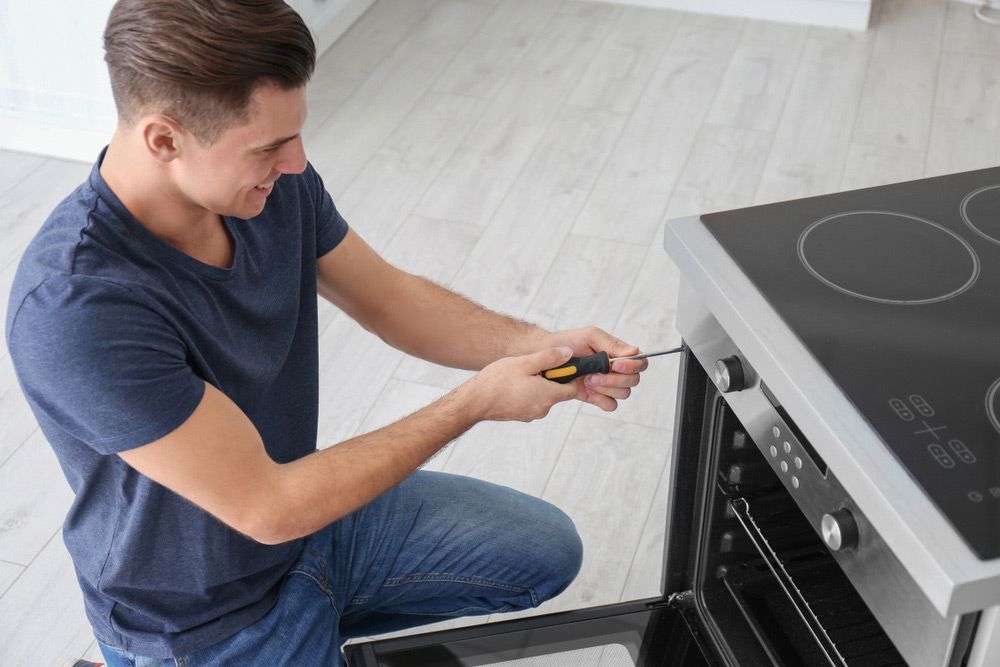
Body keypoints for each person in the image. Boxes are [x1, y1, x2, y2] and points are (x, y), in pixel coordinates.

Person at [7, 1, 648, 665]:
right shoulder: (77, 308)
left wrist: (546, 349)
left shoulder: (265, 186)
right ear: (164, 140)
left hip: (310, 528)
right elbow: (267, 506)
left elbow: (393, 299)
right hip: (209, 617)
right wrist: (475, 401)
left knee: (544, 548)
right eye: (270, 145)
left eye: (295, 133)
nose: (298, 161)